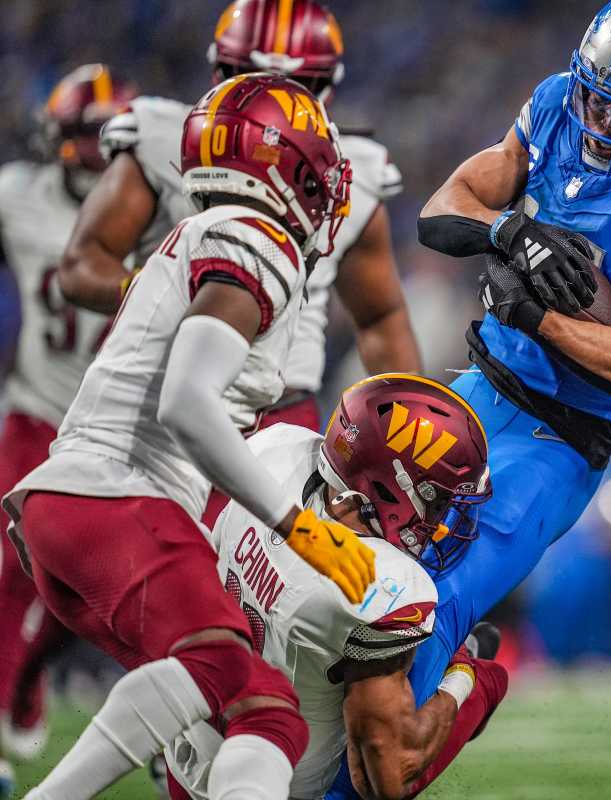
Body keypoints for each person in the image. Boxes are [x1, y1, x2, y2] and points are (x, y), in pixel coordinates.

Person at [346, 2, 611, 797]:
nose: (601, 120)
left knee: (429, 600)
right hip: (470, 392)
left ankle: (452, 698)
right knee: (353, 563)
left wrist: (533, 310)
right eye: (598, 97)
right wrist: (511, 235)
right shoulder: (557, 102)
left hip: (556, 440)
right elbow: (443, 210)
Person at [3, 74, 376, 800]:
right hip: (119, 500)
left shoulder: (195, 236)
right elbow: (187, 403)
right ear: (287, 169)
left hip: (72, 510)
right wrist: (295, 523)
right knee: (219, 670)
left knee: (262, 711)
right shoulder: (256, 242)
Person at [61, 0, 420, 448]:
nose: (275, 97)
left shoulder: (355, 170)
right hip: (161, 401)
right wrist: (162, 295)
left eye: (298, 83)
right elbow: (81, 265)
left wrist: (409, 432)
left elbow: (379, 319)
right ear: (218, 72)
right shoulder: (158, 135)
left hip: (280, 415)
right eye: (247, 77)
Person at [164, 374, 508, 800]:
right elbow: (389, 776)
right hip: (269, 785)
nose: (440, 522)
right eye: (435, 502)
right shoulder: (384, 583)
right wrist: (464, 674)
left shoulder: (276, 450)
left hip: (186, 748)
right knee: (481, 678)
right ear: (389, 483)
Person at [0, 62, 137, 798]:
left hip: (121, 419)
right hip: (35, 407)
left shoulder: (156, 200)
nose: (88, 153)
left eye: (100, 137)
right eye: (78, 137)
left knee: (81, 584)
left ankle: (31, 673)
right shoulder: (17, 198)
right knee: (14, 563)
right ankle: (9, 694)